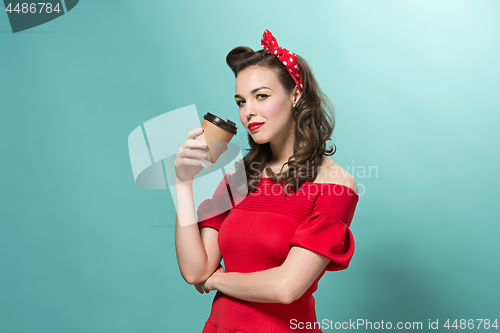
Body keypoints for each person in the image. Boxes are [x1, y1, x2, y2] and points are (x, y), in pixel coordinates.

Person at [174, 29, 359, 333]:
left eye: (261, 96)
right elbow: (196, 270)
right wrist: (183, 183)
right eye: (241, 101)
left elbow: (286, 287)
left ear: (296, 95)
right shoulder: (241, 179)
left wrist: (216, 280)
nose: (249, 111)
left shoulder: (335, 184)